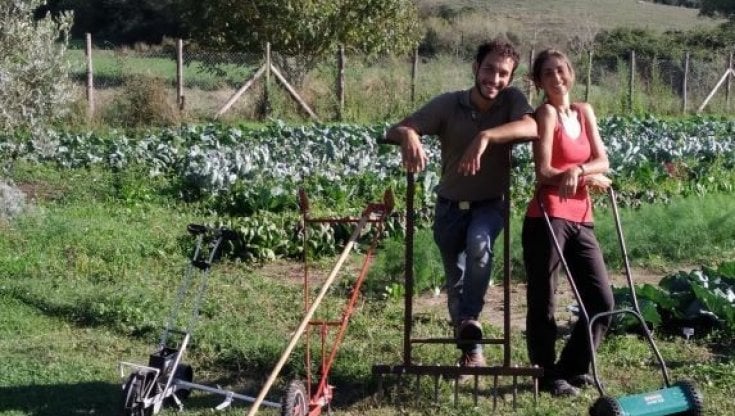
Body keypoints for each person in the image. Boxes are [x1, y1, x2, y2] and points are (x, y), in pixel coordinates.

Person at [385, 39, 537, 371]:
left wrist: (486, 137)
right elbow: (397, 129)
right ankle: (472, 351)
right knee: (455, 282)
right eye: (488, 70)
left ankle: (469, 318)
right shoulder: (448, 104)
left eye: (502, 73)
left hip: (489, 205)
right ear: (475, 68)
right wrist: (410, 135)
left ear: (510, 78)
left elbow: (532, 126)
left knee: (480, 245)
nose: (494, 79)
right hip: (449, 207)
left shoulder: (511, 100)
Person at [521, 48, 615, 396]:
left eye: (561, 70)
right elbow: (543, 170)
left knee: (602, 299)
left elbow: (602, 159)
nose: (557, 78)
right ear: (539, 82)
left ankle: (574, 366)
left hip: (581, 215)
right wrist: (577, 172)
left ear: (571, 72)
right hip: (547, 216)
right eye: (548, 73)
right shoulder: (545, 113)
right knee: (544, 297)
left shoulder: (583, 111)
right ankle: (546, 374)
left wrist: (580, 170)